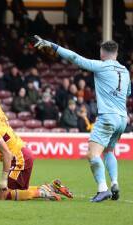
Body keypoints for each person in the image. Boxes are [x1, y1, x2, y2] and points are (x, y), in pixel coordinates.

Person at [34, 36, 131, 202]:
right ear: (116, 53)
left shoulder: (101, 66)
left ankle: (103, 189)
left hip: (107, 117)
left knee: (92, 155)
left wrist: (53, 46)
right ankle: (114, 183)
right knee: (109, 151)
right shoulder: (125, 71)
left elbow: (75, 58)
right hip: (123, 118)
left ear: (103, 53)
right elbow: (128, 93)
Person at [0, 47, 73, 201]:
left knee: (3, 196)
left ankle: (43, 192)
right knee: (17, 192)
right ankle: (51, 187)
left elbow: (6, 153)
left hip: (19, 159)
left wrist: (4, 179)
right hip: (23, 155)